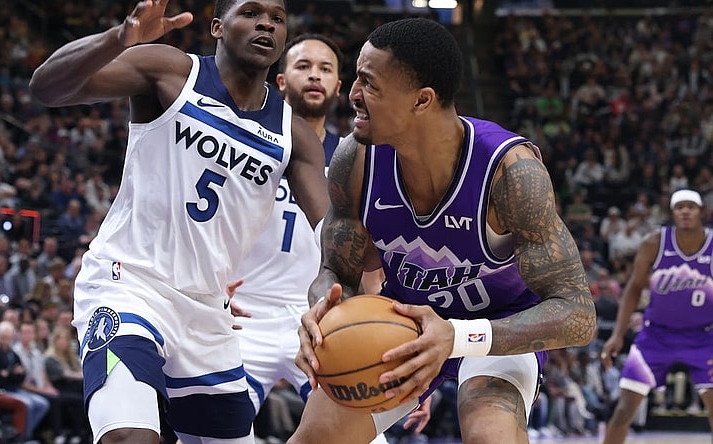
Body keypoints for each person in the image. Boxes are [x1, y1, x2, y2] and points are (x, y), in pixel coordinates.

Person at [27, 0, 329, 442]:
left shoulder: (294, 135)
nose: (266, 22)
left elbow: (333, 232)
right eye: (250, 12)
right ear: (217, 28)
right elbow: (46, 89)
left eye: (278, 18)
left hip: (207, 313)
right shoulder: (171, 70)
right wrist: (120, 37)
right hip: (129, 284)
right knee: (131, 436)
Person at [287, 18, 595, 444]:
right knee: (315, 438)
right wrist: (324, 310)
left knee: (491, 435)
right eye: (356, 79)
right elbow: (333, 271)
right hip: (402, 323)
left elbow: (578, 314)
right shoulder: (354, 161)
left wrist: (459, 337)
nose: (353, 95)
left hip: (495, 331)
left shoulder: (509, 172)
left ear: (422, 100)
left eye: (369, 84)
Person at [228, 34, 420, 443]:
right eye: (303, 66)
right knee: (204, 432)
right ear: (279, 82)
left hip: (323, 317)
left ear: (338, 87)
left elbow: (370, 264)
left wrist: (396, 342)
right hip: (242, 316)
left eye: (326, 69)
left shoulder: (356, 160)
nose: (314, 75)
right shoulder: (243, 148)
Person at [600, 188, 713, 444]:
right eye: (679, 207)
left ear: (701, 212)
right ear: (672, 213)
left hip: (704, 337)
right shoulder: (654, 243)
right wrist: (617, 335)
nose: (685, 211)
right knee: (624, 409)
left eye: (690, 207)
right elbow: (633, 289)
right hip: (655, 335)